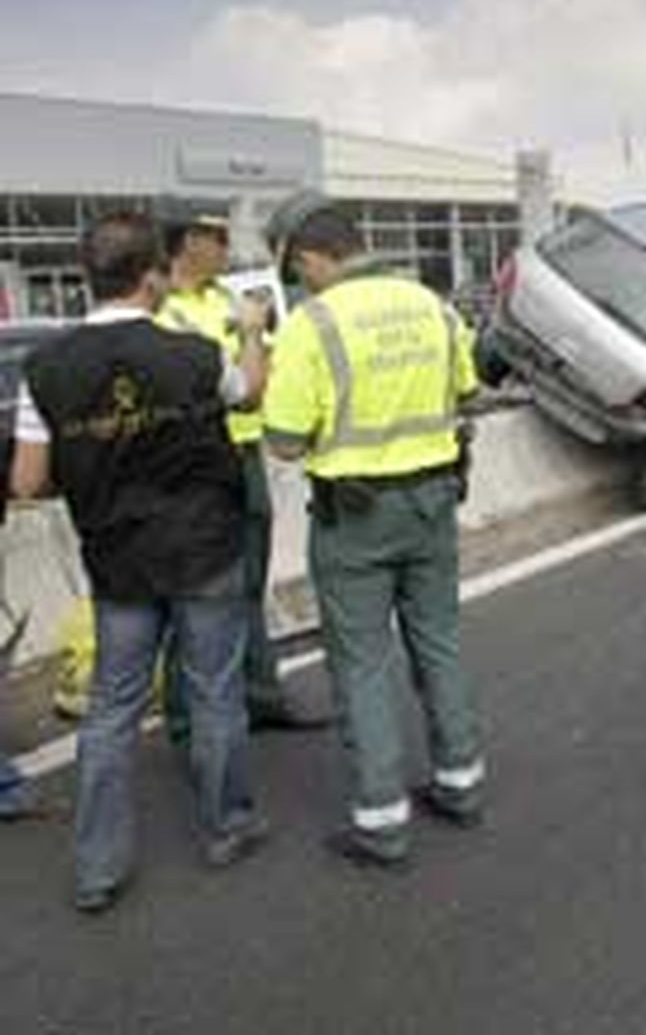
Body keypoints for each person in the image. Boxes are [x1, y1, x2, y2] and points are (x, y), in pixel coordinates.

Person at [10, 211, 271, 913]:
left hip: (119, 563)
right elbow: (250, 392)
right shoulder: (189, 354)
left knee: (111, 709)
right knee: (215, 692)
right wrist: (250, 330)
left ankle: (96, 868)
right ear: (154, 275)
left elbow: (28, 482)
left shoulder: (46, 369)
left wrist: (94, 467)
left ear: (88, 277)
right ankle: (229, 826)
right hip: (205, 550)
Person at [262, 194, 484, 868]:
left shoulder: (310, 324)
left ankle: (382, 824)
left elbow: (283, 441)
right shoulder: (433, 306)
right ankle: (460, 785)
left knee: (361, 666)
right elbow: (467, 394)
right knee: (439, 643)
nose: (300, 284)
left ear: (308, 258)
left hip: (353, 521)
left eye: (297, 273)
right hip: (433, 505)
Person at [156, 201, 327, 734]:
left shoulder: (231, 298)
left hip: (245, 456)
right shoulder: (159, 310)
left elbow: (266, 368)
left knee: (251, 584)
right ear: (189, 242)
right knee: (193, 591)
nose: (228, 248)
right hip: (193, 466)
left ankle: (261, 695)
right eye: (218, 238)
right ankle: (185, 715)